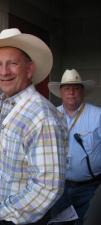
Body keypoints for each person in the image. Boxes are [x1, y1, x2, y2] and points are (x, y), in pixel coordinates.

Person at [0, 28, 68, 225]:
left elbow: (47, 187)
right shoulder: (1, 106)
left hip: (18, 220)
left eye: (13, 63)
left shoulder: (41, 116)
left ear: (29, 70)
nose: (4, 72)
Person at [48, 69, 101, 225]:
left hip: (90, 188)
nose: (71, 92)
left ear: (82, 92)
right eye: (67, 88)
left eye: (76, 88)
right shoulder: (51, 115)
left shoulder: (98, 115)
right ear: (61, 92)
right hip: (59, 189)